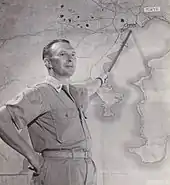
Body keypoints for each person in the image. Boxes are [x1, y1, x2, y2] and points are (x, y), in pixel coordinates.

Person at [0, 39, 108, 185]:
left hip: (86, 169)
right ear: (48, 63)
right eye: (62, 54)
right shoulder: (40, 93)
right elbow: (2, 119)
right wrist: (33, 158)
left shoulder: (76, 92)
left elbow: (91, 87)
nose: (70, 59)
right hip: (58, 171)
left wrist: (101, 79)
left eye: (73, 54)